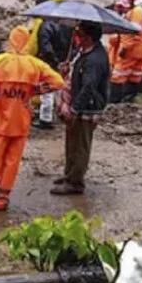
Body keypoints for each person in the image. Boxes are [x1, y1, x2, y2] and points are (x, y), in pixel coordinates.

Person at [0, 26, 66, 211]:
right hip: (21, 120)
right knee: (12, 161)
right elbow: (58, 82)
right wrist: (35, 90)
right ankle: (1, 198)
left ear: (11, 41)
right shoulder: (35, 64)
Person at [52, 22, 110, 195]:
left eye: (79, 33)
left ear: (88, 37)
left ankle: (75, 182)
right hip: (78, 103)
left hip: (86, 108)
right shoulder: (84, 52)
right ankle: (69, 174)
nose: (76, 36)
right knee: (72, 141)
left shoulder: (95, 59)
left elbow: (89, 87)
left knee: (80, 145)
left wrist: (75, 109)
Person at [34, 0, 71, 129]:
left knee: (47, 91)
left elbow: (45, 47)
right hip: (64, 60)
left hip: (50, 62)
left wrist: (52, 61)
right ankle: (61, 113)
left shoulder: (46, 25)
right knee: (60, 88)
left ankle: (45, 119)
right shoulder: (65, 23)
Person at [110, 0, 142, 103]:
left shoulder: (136, 12)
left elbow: (133, 32)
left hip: (131, 50)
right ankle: (129, 99)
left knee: (118, 75)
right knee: (135, 75)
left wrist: (125, 48)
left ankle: (114, 101)